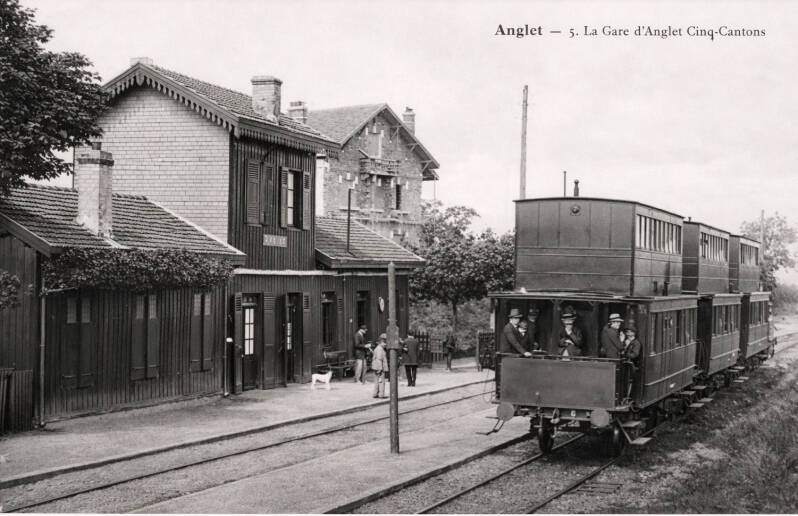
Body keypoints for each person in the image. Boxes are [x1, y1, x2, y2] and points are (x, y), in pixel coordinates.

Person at [621, 321, 642, 398]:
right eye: (627, 332)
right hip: (625, 364)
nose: (628, 333)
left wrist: (625, 354)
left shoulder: (636, 343)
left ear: (634, 333)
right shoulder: (626, 341)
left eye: (630, 332)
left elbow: (635, 354)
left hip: (632, 365)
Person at [371, 334, 388, 398]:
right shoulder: (380, 349)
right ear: (381, 343)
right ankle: (381, 394)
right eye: (384, 343)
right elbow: (379, 359)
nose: (385, 344)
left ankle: (375, 393)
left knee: (377, 381)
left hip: (376, 367)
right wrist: (380, 368)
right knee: (381, 381)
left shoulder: (378, 348)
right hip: (379, 367)